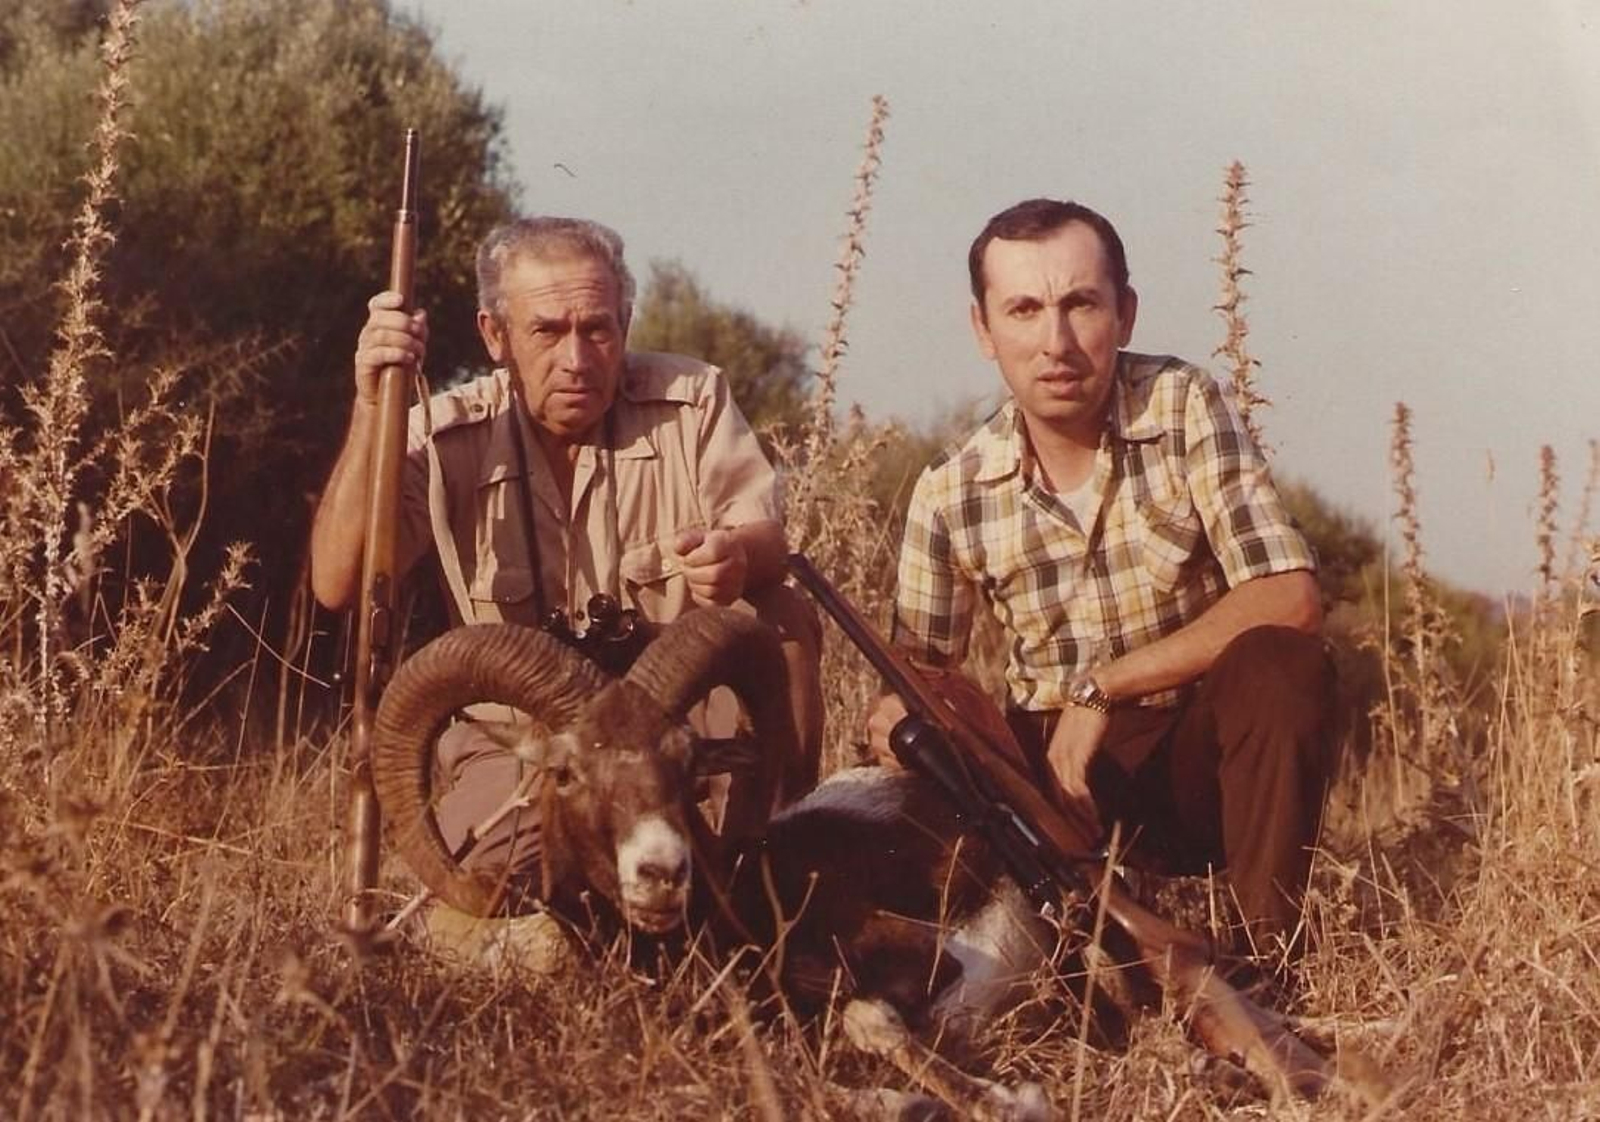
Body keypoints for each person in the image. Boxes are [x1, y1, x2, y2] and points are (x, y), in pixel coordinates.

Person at [311, 216, 823, 953]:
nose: (578, 358)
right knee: (478, 896)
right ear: (495, 334)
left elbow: (765, 537)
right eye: (548, 331)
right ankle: (553, 935)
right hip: (532, 755)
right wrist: (371, 407)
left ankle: (764, 864)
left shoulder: (693, 399)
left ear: (627, 321)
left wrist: (736, 555)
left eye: (599, 329)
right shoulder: (444, 432)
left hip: (674, 740)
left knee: (779, 613)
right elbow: (340, 580)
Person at [867, 198, 1336, 968]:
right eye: (1023, 310)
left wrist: (1101, 688)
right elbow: (920, 678)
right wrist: (898, 723)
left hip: (1198, 753)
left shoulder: (1184, 405)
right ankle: (989, 953)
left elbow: (1290, 597)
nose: (1056, 343)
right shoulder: (949, 491)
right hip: (1053, 782)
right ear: (983, 330)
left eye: (1080, 304)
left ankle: (1264, 965)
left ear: (1125, 312)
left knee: (1283, 666)